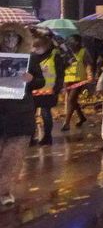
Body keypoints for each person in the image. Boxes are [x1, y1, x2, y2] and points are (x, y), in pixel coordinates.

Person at [0, 22, 45, 206]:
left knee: (12, 157)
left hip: (20, 115)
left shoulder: (30, 59)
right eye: (7, 36)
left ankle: (4, 191)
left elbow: (40, 81)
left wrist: (31, 79)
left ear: (19, 39)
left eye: (14, 36)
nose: (10, 40)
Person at [31, 35, 65, 145]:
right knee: (30, 115)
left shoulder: (54, 55)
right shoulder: (33, 57)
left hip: (49, 91)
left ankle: (47, 137)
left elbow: (60, 74)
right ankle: (31, 137)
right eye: (34, 47)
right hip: (33, 90)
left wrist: (57, 88)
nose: (36, 49)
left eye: (38, 47)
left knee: (45, 113)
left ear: (46, 45)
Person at [60, 34, 92, 131]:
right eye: (70, 43)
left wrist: (89, 74)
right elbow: (61, 64)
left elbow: (88, 64)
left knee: (70, 99)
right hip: (67, 78)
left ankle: (66, 123)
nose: (71, 45)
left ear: (78, 43)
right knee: (72, 100)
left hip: (79, 79)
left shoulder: (83, 52)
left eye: (73, 43)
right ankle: (81, 117)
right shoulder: (67, 52)